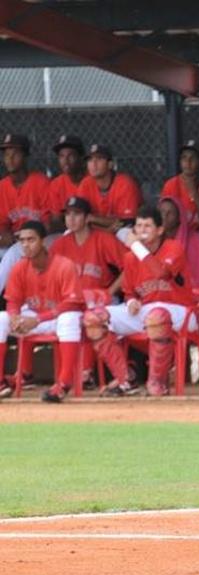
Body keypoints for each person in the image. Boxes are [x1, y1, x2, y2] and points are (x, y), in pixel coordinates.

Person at [83, 207, 195, 397]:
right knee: (93, 318)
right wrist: (131, 302)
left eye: (147, 226)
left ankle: (157, 383)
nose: (142, 230)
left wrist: (136, 246)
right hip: (147, 310)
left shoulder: (173, 247)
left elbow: (161, 273)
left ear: (159, 230)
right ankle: (126, 378)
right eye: (138, 226)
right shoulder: (130, 257)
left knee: (156, 317)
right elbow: (129, 293)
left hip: (180, 311)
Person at [49, 196, 128, 390]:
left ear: (87, 217)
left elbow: (130, 268)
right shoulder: (60, 244)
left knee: (88, 317)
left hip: (102, 301)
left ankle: (86, 373)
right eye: (68, 214)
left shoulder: (103, 239)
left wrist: (110, 291)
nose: (71, 219)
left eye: (76, 214)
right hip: (73, 301)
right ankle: (78, 374)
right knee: (74, 316)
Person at [0, 221, 83, 403]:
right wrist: (14, 316)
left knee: (70, 318)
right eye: (22, 241)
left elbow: (72, 303)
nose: (26, 245)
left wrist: (39, 319)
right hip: (34, 318)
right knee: (1, 319)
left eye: (31, 240)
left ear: (43, 241)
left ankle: (63, 383)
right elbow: (12, 300)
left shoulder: (64, 265)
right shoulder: (20, 267)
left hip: (57, 318)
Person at [0, 134, 51, 293]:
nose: (10, 159)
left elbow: (48, 225)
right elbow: (2, 224)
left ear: (26, 156)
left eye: (15, 154)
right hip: (15, 239)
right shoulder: (2, 186)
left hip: (42, 239)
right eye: (7, 155)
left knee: (14, 253)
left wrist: (19, 236)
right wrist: (4, 234)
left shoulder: (41, 182)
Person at [76, 143, 143, 241]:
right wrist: (106, 229)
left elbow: (128, 222)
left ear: (110, 164)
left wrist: (94, 219)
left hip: (120, 231)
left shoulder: (125, 183)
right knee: (70, 232)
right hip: (97, 230)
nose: (93, 164)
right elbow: (81, 218)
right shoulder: (85, 184)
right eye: (90, 160)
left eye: (99, 159)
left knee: (125, 233)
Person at [160, 140, 199, 229]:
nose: (188, 162)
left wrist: (194, 193)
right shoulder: (171, 184)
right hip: (181, 233)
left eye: (193, 158)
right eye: (184, 158)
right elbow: (164, 220)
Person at [158, 197, 199, 288]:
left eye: (170, 213)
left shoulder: (193, 239)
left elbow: (196, 276)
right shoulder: (153, 238)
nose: (164, 216)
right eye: (162, 212)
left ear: (179, 217)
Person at [47, 135, 87, 231]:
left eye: (71, 155)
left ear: (81, 157)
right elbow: (56, 220)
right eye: (61, 156)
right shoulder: (56, 184)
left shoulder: (93, 179)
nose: (65, 160)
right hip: (68, 231)